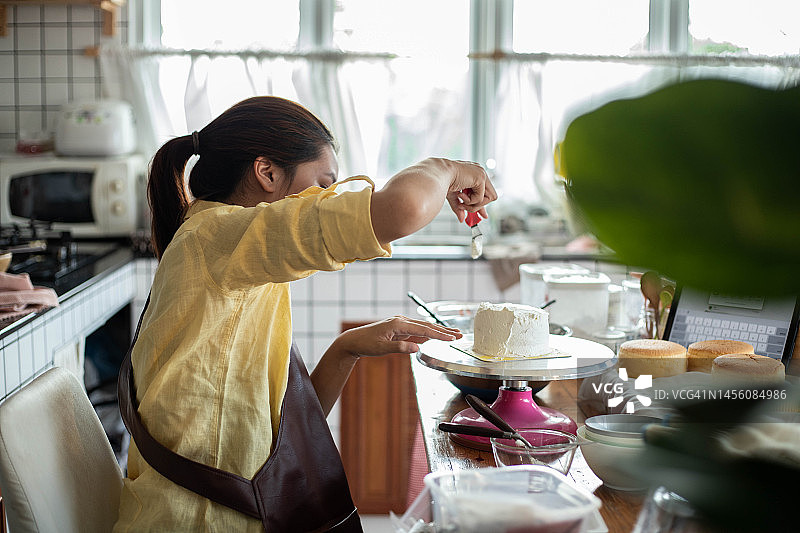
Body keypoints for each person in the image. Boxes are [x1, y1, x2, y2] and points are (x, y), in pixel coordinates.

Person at [114, 96, 496, 532]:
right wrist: (446, 167)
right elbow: (402, 209)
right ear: (267, 173)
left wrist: (347, 349)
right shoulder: (218, 236)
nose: (326, 199)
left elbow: (288, 440)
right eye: (322, 185)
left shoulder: (229, 249)